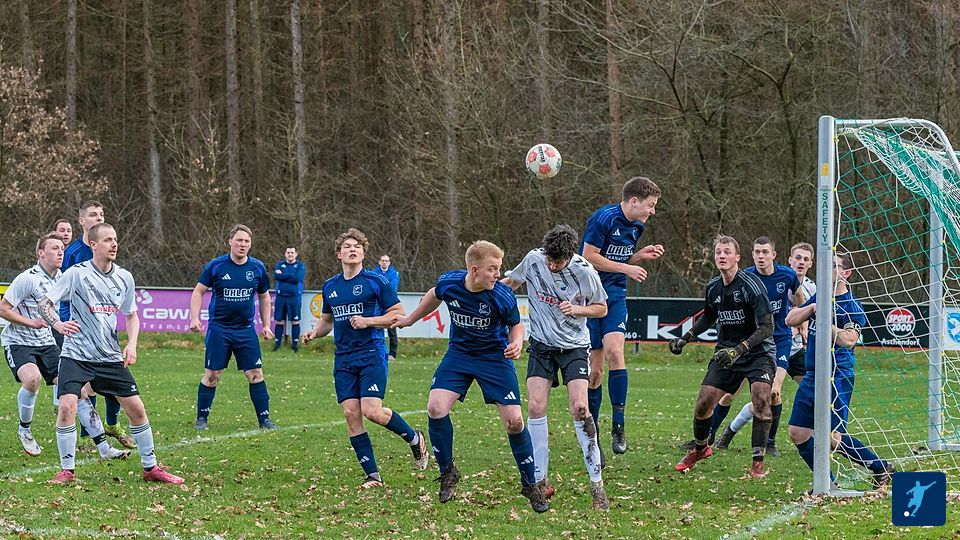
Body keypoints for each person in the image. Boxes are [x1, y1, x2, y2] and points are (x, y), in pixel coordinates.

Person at [394, 240, 549, 513]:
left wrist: (516, 343)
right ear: (474, 270)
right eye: (493, 269)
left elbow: (516, 325)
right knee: (436, 407)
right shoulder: (450, 283)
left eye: (499, 268)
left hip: (494, 359)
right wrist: (410, 319)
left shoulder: (501, 295)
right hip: (460, 355)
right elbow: (434, 294)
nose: (498, 274)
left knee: (514, 422)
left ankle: (530, 484)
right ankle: (448, 472)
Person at [40, 223, 184, 484]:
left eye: (115, 239)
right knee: (67, 406)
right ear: (93, 245)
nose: (114, 244)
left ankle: (151, 468)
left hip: (109, 356)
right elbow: (45, 304)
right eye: (107, 240)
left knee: (136, 409)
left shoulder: (124, 277)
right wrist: (57, 324)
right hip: (76, 355)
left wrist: (132, 344)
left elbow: (131, 315)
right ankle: (67, 471)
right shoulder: (76, 274)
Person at [301, 229, 428, 488]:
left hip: (371, 353)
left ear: (363, 253)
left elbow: (398, 314)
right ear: (339, 254)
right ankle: (373, 476)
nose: (353, 249)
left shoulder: (375, 281)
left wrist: (369, 321)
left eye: (357, 246)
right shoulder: (331, 286)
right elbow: (327, 321)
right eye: (347, 246)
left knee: (372, 411)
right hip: (344, 358)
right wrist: (314, 332)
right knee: (351, 413)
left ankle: (415, 439)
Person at [502, 225, 610, 510]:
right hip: (541, 346)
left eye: (557, 262)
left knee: (580, 408)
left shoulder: (585, 272)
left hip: (574, 347)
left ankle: (597, 484)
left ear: (569, 257)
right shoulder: (534, 259)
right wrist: (486, 292)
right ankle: (540, 481)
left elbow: (602, 307)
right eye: (549, 260)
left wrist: (578, 309)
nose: (551, 265)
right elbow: (512, 282)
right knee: (535, 407)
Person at [668, 236, 775, 478]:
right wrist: (686, 337)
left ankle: (757, 464)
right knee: (703, 404)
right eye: (718, 252)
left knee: (761, 400)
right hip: (726, 352)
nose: (722, 256)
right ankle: (700, 449)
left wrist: (739, 349)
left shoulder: (751, 285)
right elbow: (708, 316)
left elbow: (767, 327)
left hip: (758, 352)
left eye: (727, 252)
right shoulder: (713, 287)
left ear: (737, 257)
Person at [785, 252, 894, 488]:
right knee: (798, 432)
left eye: (834, 266)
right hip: (812, 374)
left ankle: (879, 466)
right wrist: (812, 307)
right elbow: (790, 319)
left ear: (846, 273)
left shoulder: (851, 305)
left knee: (833, 437)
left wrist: (826, 321)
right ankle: (829, 485)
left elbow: (849, 340)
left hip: (836, 375)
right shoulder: (819, 297)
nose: (828, 270)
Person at [581, 176, 663, 458]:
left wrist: (638, 256)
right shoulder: (603, 219)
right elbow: (589, 257)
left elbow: (620, 260)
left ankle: (618, 425)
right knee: (594, 371)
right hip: (590, 295)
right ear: (634, 201)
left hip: (615, 294)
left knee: (616, 352)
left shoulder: (637, 226)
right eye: (650, 205)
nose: (652, 211)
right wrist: (628, 268)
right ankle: (593, 438)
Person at [697, 237, 802, 455]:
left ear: (773, 255)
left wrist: (801, 322)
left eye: (765, 252)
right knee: (728, 395)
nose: (761, 256)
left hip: (778, 340)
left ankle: (769, 443)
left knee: (773, 392)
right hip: (749, 343)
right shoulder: (745, 278)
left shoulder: (787, 275)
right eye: (757, 252)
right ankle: (714, 436)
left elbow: (800, 298)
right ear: (751, 255)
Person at [60, 200, 133, 450]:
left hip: (105, 328)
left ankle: (111, 424)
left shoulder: (108, 249)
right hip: (77, 328)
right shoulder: (73, 253)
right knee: (84, 387)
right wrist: (66, 323)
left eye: (101, 214)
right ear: (82, 221)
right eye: (93, 214)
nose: (99, 217)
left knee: (114, 374)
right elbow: (63, 292)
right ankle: (87, 437)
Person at [191, 225, 276, 430]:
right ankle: (201, 419)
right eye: (239, 240)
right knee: (213, 375)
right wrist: (194, 318)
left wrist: (266, 325)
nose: (243, 244)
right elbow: (198, 292)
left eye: (246, 241)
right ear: (230, 242)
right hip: (219, 329)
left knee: (255, 373)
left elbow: (264, 297)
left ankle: (265, 421)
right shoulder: (216, 266)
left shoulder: (257, 268)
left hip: (245, 329)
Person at [272, 246, 306, 352]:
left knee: (295, 321)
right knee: (279, 321)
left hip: (294, 297)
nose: (290, 254)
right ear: (285, 254)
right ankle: (277, 345)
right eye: (288, 252)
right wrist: (290, 275)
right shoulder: (280, 264)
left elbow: (297, 278)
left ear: (296, 254)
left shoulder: (300, 266)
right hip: (281, 296)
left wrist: (283, 275)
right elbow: (276, 276)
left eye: (292, 252)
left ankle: (295, 345)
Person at [373, 254, 400, 361]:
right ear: (379, 262)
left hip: (389, 304)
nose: (384, 262)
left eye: (386, 261)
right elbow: (372, 287)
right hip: (377, 304)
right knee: (376, 327)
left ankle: (392, 354)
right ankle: (377, 351)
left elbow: (391, 288)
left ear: (389, 262)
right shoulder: (374, 273)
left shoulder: (394, 274)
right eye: (383, 260)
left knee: (392, 328)